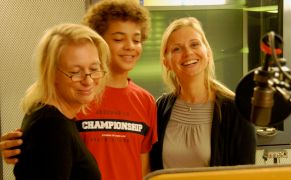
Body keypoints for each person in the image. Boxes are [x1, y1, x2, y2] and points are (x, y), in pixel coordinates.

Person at [0, 1, 158, 180]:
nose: (130, 46)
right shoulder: (74, 99)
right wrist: (21, 146)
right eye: (118, 38)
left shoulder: (146, 101)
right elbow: (48, 137)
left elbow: (144, 168)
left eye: (136, 39)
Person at [150, 17, 256, 170]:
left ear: (208, 53)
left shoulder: (236, 110)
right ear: (166, 62)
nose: (188, 53)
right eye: (177, 49)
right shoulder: (161, 108)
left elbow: (244, 175)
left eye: (194, 44)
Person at [12, 23, 110, 179]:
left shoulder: (59, 118)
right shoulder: (51, 126)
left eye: (94, 69)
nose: (88, 80)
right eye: (75, 72)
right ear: (51, 74)